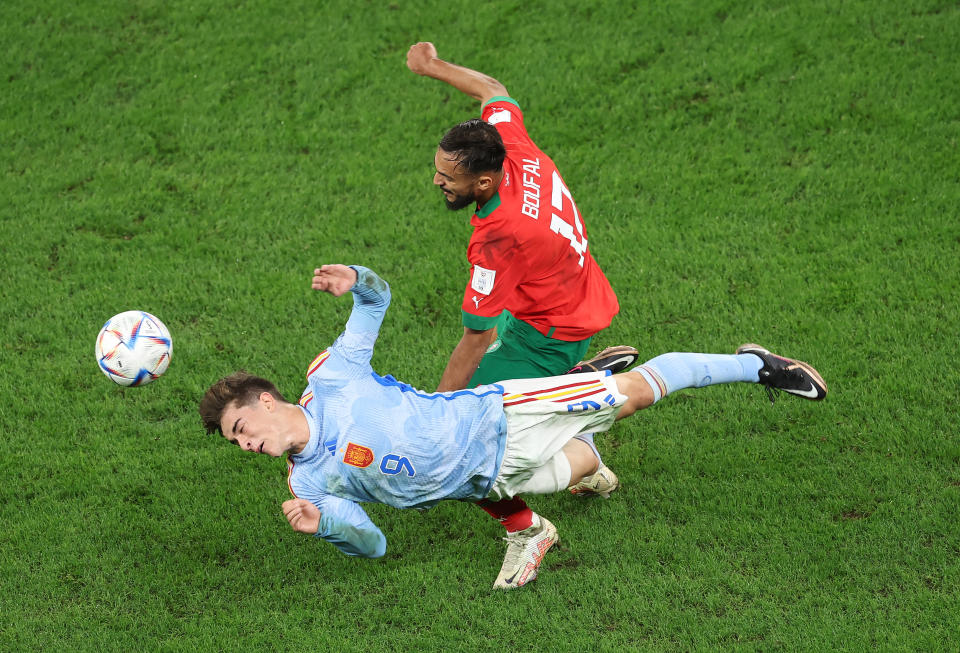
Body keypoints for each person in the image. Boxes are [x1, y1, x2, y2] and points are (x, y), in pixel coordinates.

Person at [199, 265, 828, 589]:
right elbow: (374, 546)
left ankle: (758, 365)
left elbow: (376, 300)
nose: (245, 442)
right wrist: (326, 524)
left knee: (631, 398)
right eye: (236, 441)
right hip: (491, 477)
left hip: (498, 412)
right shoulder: (308, 489)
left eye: (241, 425)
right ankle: (578, 391)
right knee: (578, 467)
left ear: (264, 399)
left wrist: (356, 280)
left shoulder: (333, 376)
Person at [405, 42, 638, 570]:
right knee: (502, 411)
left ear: (482, 182)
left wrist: (439, 412)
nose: (438, 181)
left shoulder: (498, 235)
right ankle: (571, 403)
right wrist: (434, 67)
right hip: (560, 291)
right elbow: (494, 90)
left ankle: (530, 528)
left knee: (470, 448)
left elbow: (477, 336)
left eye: (448, 177)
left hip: (547, 330)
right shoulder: (509, 143)